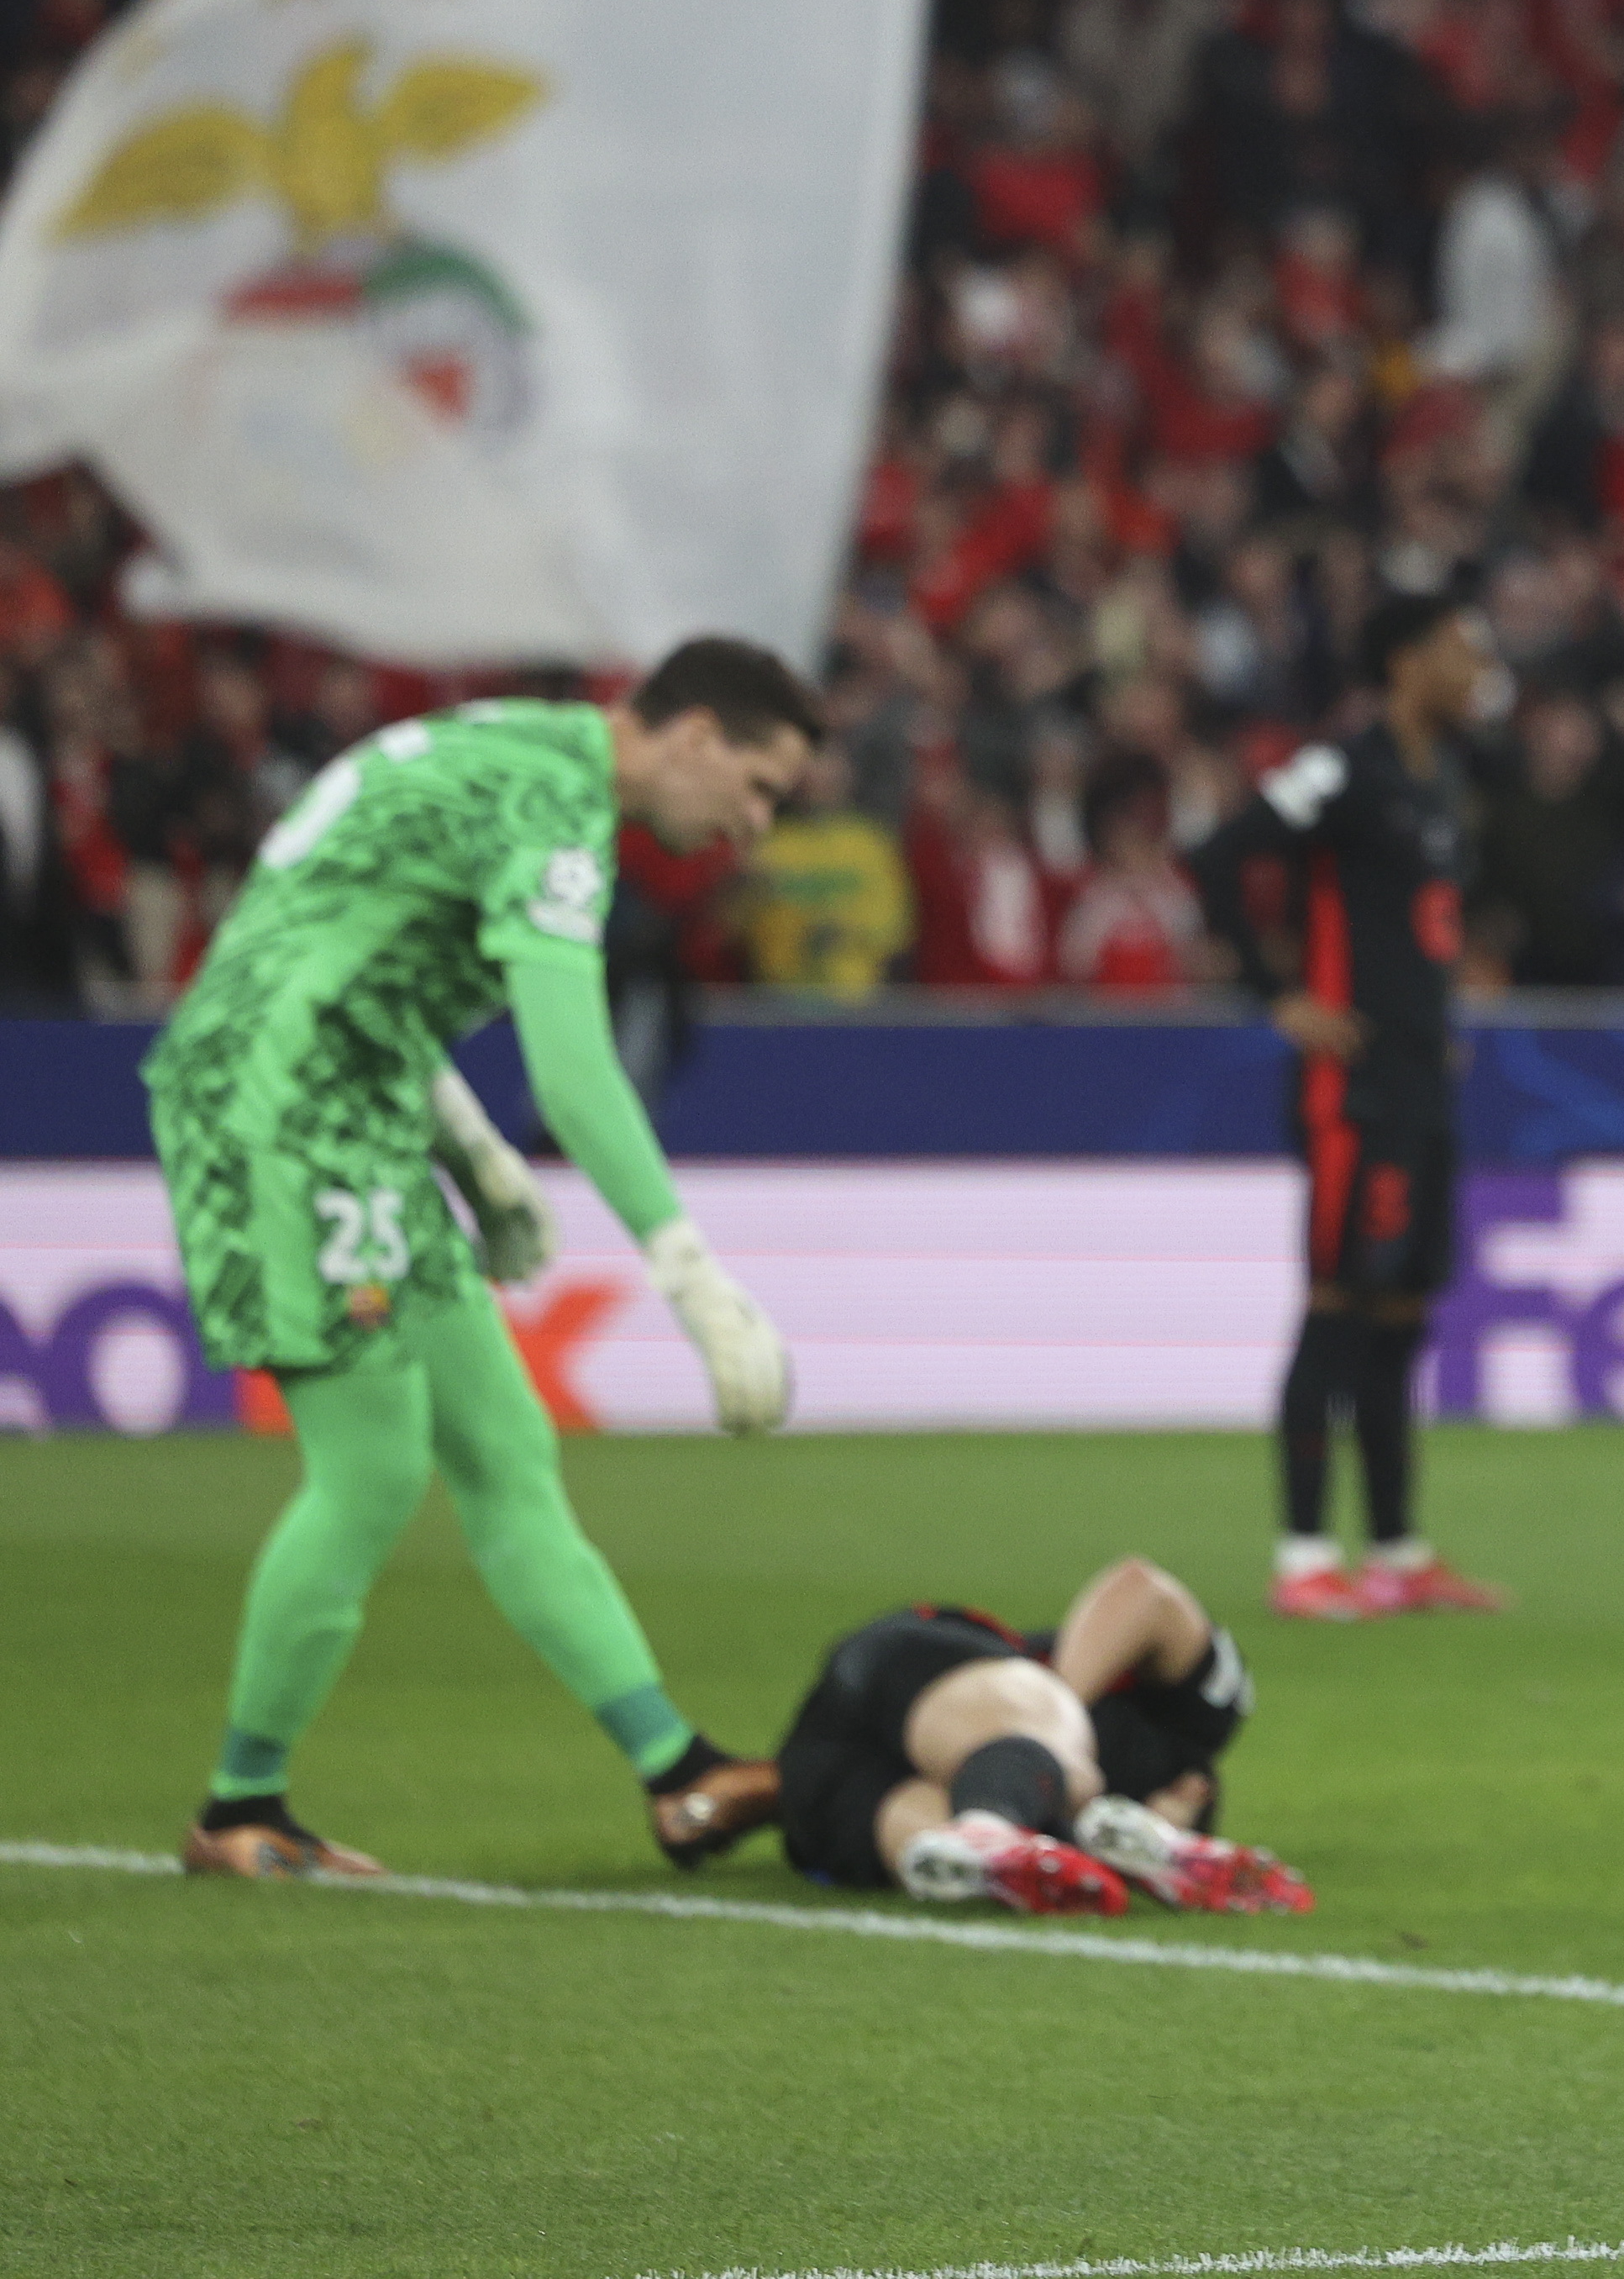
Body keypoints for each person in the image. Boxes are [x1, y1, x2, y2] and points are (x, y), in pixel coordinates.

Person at [148, 642, 817, 1881]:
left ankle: (679, 1772)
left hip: (361, 1101)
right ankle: (241, 1804)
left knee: (505, 1445)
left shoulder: (510, 746)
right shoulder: (551, 805)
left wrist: (468, 1147)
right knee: (373, 1466)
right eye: (761, 783)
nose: (755, 823)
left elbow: (342, 932)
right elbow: (573, 1071)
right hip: (277, 1110)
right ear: (696, 734)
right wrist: (694, 1278)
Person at [1195, 592, 1507, 1622]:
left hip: (1421, 1086)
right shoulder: (1343, 767)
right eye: (1461, 649)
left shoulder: (1439, 778)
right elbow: (1216, 857)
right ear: (1408, 661)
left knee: (1399, 1316)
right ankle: (1301, 1560)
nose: (1475, 668)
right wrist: (1277, 995)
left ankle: (1397, 1553)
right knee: (1334, 1308)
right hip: (1354, 1092)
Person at [774, 1555, 1310, 1918]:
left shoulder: (1140, 1761)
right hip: (917, 1668)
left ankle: (991, 1843)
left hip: (825, 1791)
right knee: (1051, 1759)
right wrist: (1061, 1712)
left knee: (949, 1845)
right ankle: (998, 1827)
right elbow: (1142, 1588)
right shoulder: (1193, 1720)